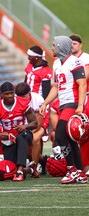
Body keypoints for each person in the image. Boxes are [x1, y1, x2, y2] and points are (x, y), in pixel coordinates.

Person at [40, 36, 87, 184]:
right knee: (70, 139)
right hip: (63, 103)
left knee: (59, 134)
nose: (52, 48)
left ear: (60, 46)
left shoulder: (74, 61)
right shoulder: (56, 64)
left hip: (72, 103)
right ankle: (80, 173)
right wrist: (46, 103)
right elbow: (56, 87)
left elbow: (82, 84)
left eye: (54, 45)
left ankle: (71, 170)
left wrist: (80, 105)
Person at [0, 82, 37, 181]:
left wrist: (25, 126)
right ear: (1, 95)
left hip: (24, 135)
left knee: (21, 136)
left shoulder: (22, 103)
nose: (10, 96)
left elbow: (35, 123)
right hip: (9, 140)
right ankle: (31, 169)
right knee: (10, 171)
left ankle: (20, 171)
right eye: (7, 94)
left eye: (11, 93)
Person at [15, 82, 47, 178]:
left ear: (29, 93)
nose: (21, 100)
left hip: (40, 123)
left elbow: (38, 122)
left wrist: (27, 132)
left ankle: (35, 167)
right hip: (25, 126)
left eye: (23, 97)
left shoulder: (37, 99)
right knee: (24, 147)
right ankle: (42, 160)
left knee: (34, 138)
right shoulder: (15, 100)